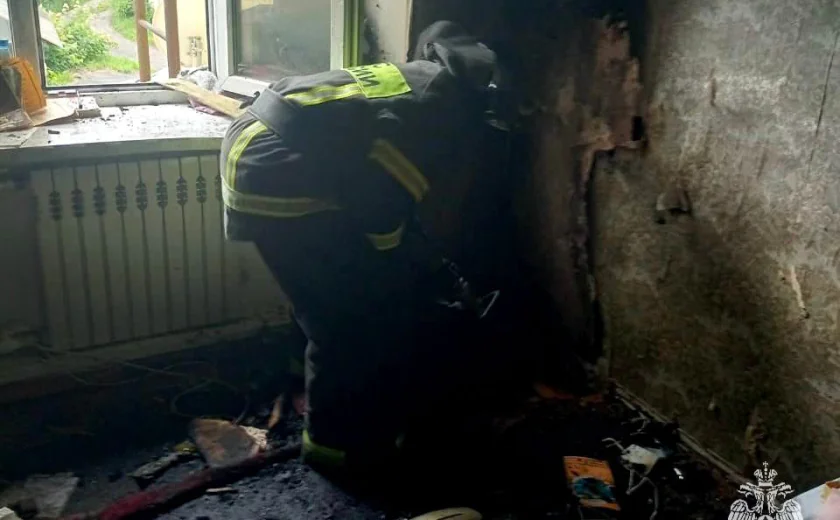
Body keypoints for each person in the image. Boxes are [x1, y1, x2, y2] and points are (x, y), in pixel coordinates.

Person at [220, 20, 505, 474]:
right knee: (346, 320)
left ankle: (301, 376)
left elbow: (377, 183)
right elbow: (381, 205)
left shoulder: (417, 78)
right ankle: (335, 448)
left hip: (256, 145)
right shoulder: (444, 116)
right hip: (276, 170)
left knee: (313, 287)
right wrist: (397, 264)